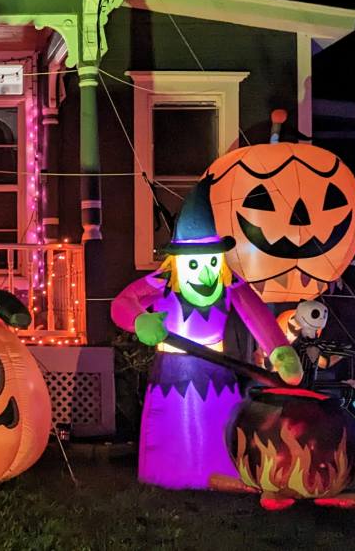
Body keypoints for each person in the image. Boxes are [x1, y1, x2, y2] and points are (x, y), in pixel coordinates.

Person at [112, 178, 302, 489]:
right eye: (195, 262)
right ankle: (167, 475)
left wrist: (280, 351)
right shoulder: (163, 282)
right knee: (173, 426)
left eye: (213, 260)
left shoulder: (229, 283)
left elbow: (257, 316)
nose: (205, 272)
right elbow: (123, 303)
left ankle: (219, 473)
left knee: (217, 425)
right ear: (177, 260)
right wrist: (139, 322)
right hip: (172, 374)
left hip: (216, 369)